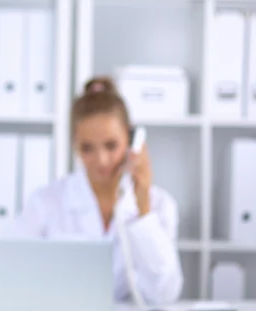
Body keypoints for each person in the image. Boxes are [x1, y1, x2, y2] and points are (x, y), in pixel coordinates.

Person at [14, 76, 183, 305]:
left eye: (111, 145)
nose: (101, 161)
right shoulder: (45, 202)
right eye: (87, 148)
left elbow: (164, 294)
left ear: (132, 140)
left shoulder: (160, 204)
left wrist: (143, 209)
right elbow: (16, 279)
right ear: (75, 144)